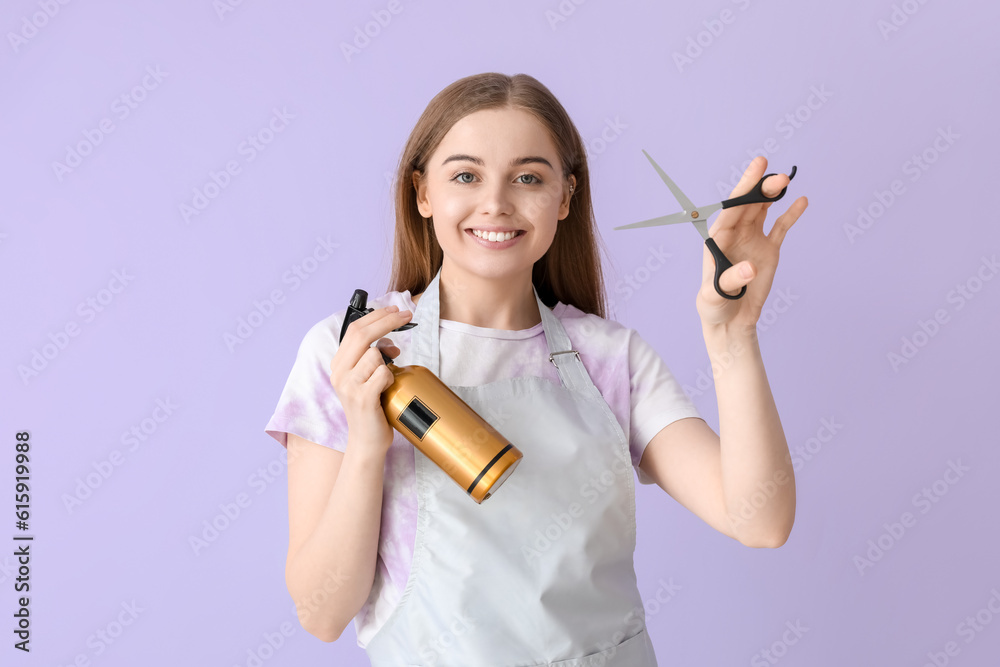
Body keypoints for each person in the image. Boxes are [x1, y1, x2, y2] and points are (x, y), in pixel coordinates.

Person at [265, 72, 807, 665]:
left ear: (566, 197)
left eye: (528, 177)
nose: (496, 203)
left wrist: (732, 334)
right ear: (422, 193)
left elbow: (760, 520)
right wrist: (368, 439)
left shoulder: (610, 359)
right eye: (465, 175)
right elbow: (322, 615)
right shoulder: (352, 353)